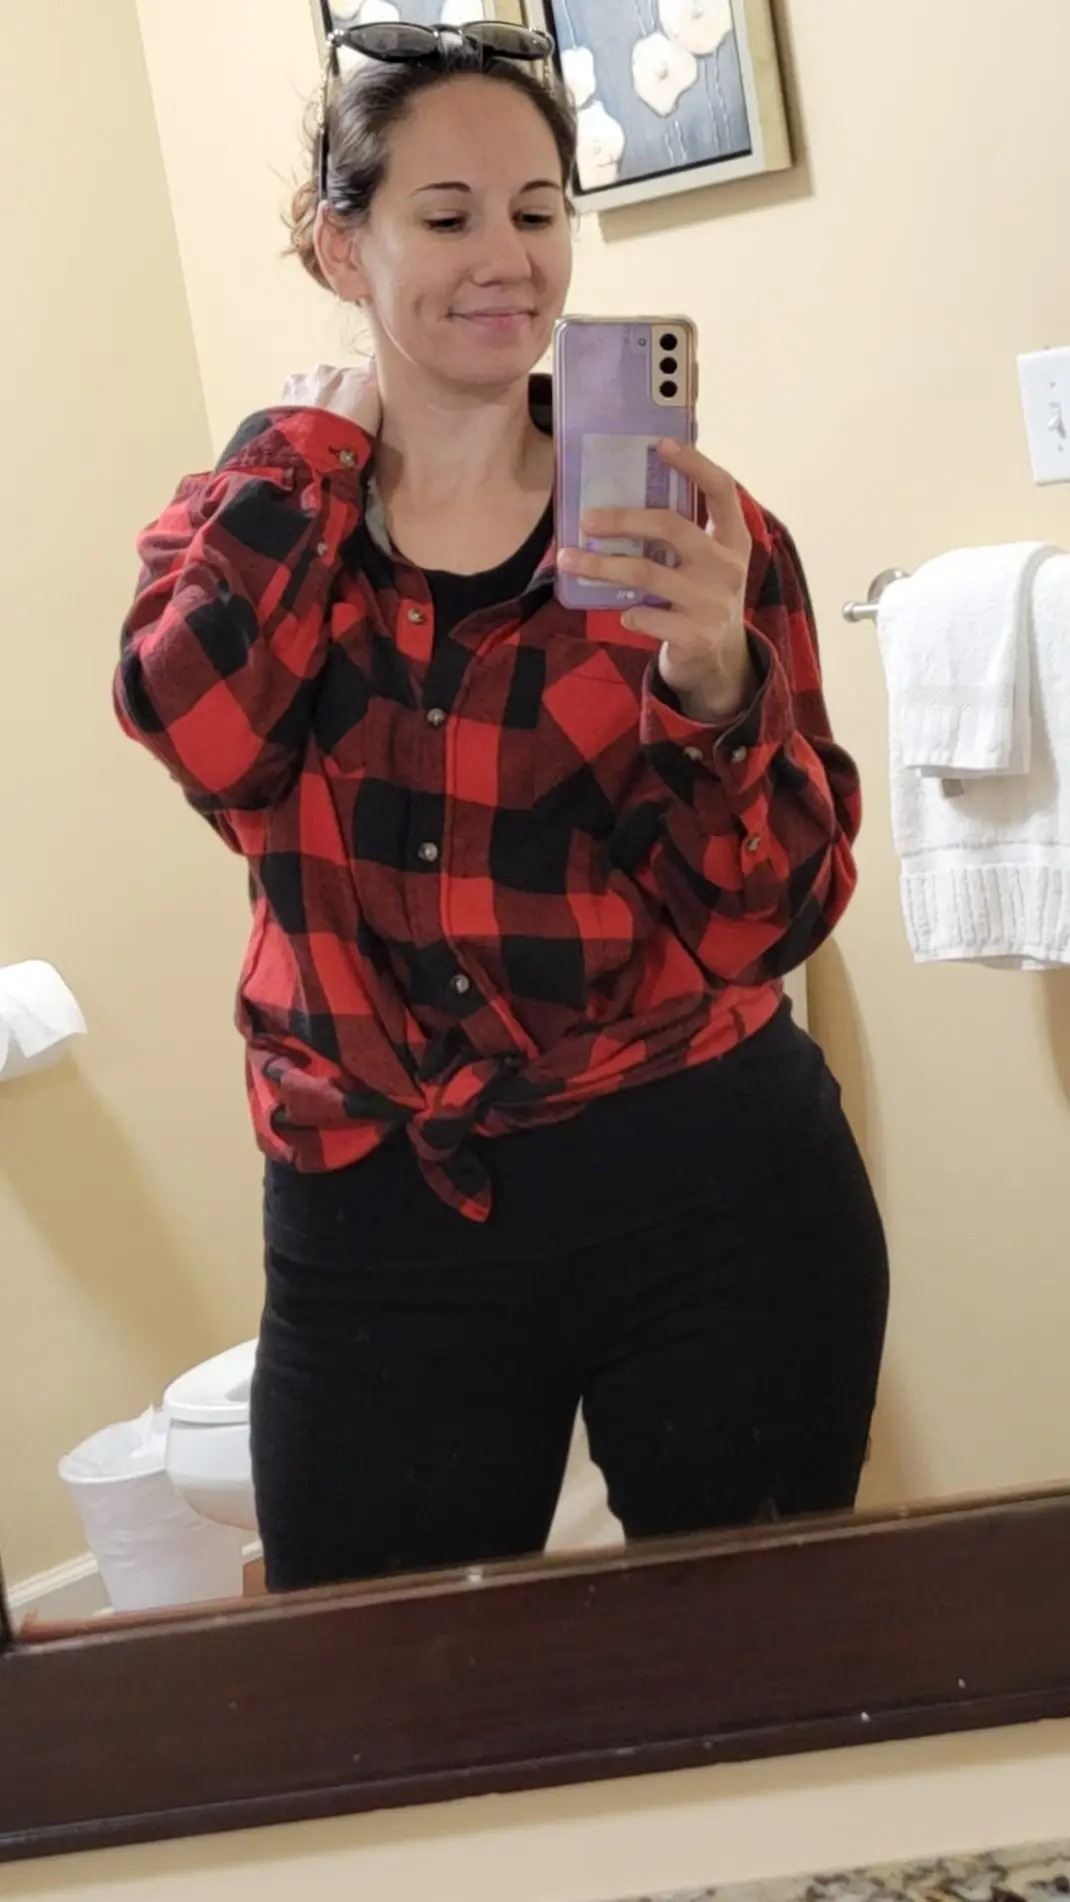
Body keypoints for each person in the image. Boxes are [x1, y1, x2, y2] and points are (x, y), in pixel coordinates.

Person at [114, 20, 889, 1594]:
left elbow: (771, 921)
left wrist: (714, 684)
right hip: (376, 1202)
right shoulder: (253, 517)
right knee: (380, 1675)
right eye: (448, 213)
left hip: (708, 1184)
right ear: (342, 244)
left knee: (746, 1658)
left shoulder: (701, 537)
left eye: (536, 211)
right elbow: (197, 735)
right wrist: (311, 454)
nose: (506, 259)